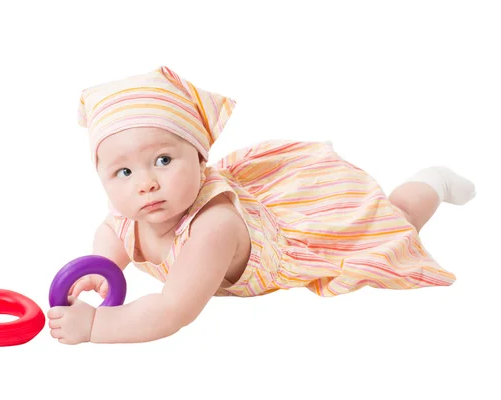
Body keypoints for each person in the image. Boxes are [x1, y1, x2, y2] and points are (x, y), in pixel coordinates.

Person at [47, 66, 476, 345]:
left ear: (199, 157)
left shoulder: (211, 228)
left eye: (163, 160)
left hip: (295, 226)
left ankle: (430, 182)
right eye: (123, 173)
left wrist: (96, 327)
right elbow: (111, 236)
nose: (146, 183)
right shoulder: (131, 212)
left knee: (391, 222)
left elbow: (173, 309)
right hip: (261, 209)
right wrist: (100, 270)